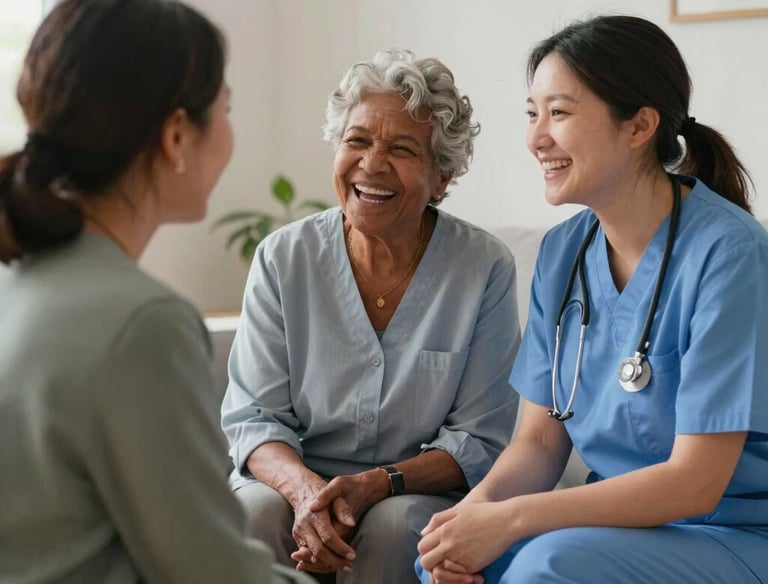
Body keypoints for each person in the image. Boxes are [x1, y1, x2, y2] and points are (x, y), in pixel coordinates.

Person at [416, 14, 768, 584]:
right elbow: (537, 441)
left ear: (639, 127)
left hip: (730, 529)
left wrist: (516, 519)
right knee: (436, 555)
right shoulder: (563, 254)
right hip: (614, 527)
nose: (536, 138)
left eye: (559, 113)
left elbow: (695, 482)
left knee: (545, 565)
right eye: (532, 114)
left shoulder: (730, 256)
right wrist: (470, 517)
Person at [0, 1, 313, 583]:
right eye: (225, 109)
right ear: (176, 135)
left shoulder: (14, 280)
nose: (230, 131)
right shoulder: (143, 324)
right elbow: (212, 572)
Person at [221, 48, 521, 583]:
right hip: (293, 480)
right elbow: (254, 418)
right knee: (252, 514)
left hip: (413, 490)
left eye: (402, 149)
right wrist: (307, 492)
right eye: (356, 141)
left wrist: (378, 483)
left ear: (442, 176)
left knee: (396, 525)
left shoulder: (484, 267)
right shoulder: (283, 257)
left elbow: (479, 438)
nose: (372, 164)